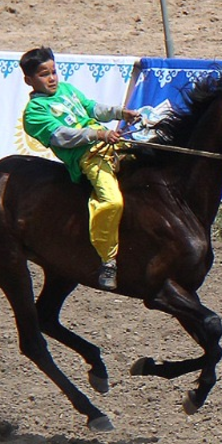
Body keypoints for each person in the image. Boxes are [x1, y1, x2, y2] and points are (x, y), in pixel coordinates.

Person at [19, 47, 140, 290]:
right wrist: (98, 133)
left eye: (54, 71)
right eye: (44, 74)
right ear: (28, 80)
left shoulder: (67, 90)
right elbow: (62, 137)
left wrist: (120, 112)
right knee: (112, 202)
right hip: (88, 158)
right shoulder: (34, 113)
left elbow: (92, 108)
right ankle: (107, 260)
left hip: (110, 144)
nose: (52, 78)